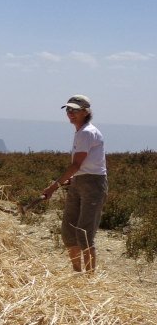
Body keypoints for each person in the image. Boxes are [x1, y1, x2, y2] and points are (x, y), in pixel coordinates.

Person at [42, 95, 107, 272]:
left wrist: (53, 187)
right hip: (80, 181)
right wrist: (74, 178)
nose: (71, 113)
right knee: (69, 232)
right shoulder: (81, 131)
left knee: (84, 233)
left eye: (75, 110)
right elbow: (82, 165)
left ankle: (89, 278)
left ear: (85, 112)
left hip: (92, 184)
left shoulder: (86, 132)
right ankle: (77, 274)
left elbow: (76, 164)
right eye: (68, 110)